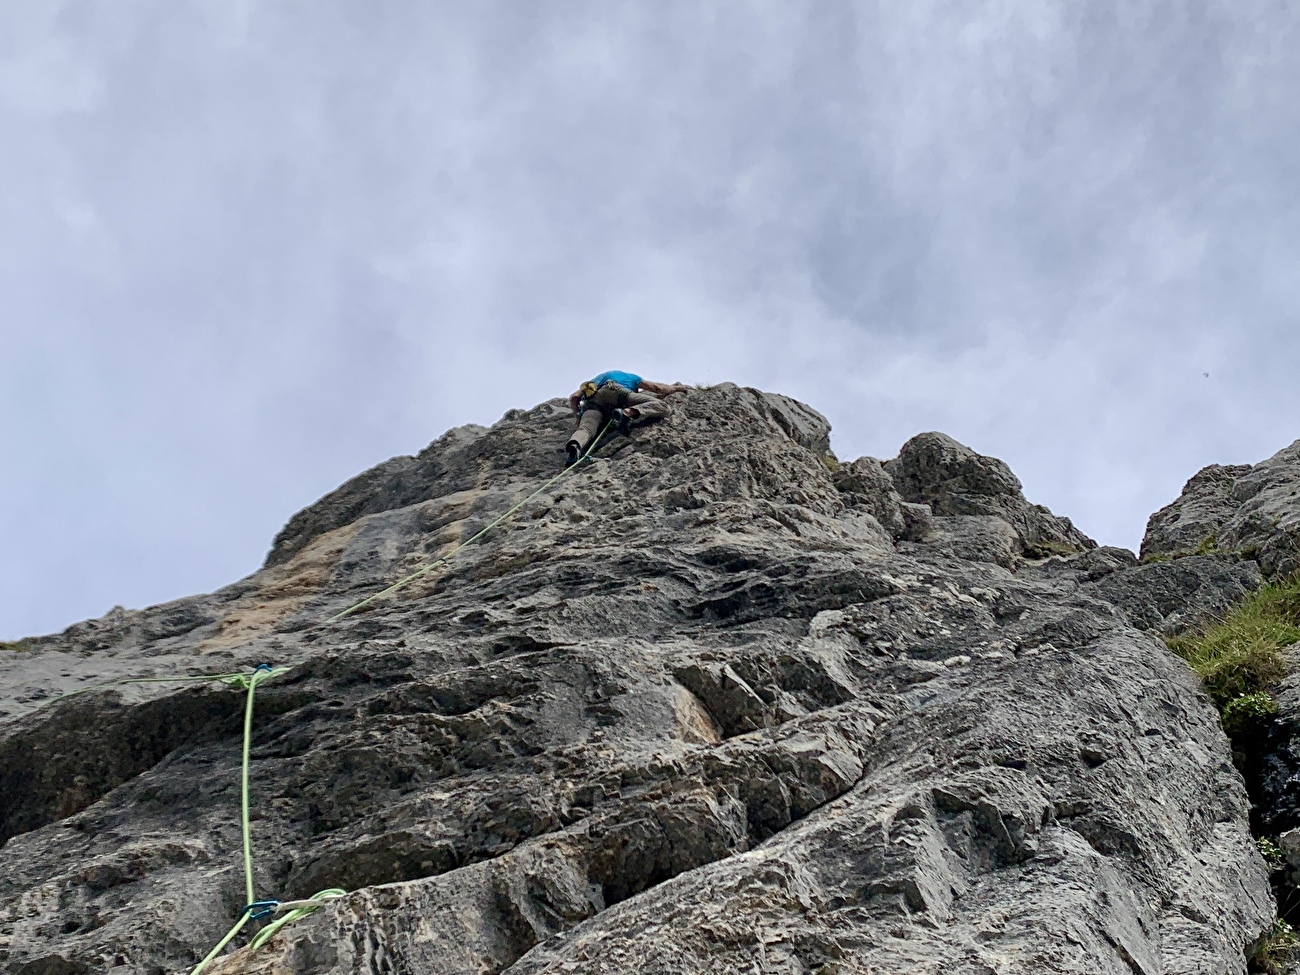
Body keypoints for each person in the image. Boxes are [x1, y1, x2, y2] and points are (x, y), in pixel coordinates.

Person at [564, 371, 689, 466]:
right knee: (663, 407)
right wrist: (676, 388)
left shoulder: (597, 380)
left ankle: (575, 445)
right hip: (616, 393)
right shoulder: (632, 378)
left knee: (586, 429)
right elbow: (657, 388)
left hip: (593, 402)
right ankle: (628, 412)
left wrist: (578, 418)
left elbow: (575, 397)